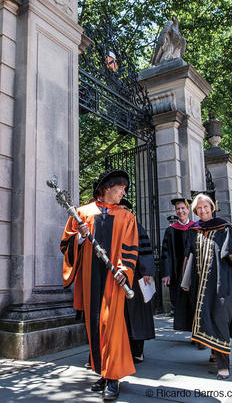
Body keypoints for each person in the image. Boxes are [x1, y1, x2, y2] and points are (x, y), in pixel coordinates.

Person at [60, 169, 138, 401]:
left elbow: (130, 247)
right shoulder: (82, 213)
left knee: (111, 325)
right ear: (107, 188)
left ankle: (113, 378)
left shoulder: (126, 217)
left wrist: (125, 270)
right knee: (95, 326)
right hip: (90, 280)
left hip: (114, 280)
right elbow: (66, 245)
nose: (124, 192)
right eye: (121, 188)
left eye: (125, 189)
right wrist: (81, 236)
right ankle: (104, 373)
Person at [181, 193, 232, 380]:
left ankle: (223, 364)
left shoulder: (224, 228)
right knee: (205, 317)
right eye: (199, 208)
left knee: (220, 318)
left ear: (212, 208)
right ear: (195, 210)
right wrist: (185, 280)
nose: (203, 211)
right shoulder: (194, 230)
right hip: (201, 284)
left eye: (206, 207)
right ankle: (214, 352)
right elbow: (188, 257)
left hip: (222, 282)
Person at [119, 199, 155, 363]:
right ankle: (125, 349)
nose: (122, 211)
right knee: (123, 317)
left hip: (136, 278)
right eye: (119, 208)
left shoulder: (136, 227)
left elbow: (146, 250)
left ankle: (138, 351)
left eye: (125, 209)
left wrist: (147, 271)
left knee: (137, 316)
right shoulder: (114, 228)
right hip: (119, 279)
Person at [161, 197, 193, 316]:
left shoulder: (195, 228)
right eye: (178, 209)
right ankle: (176, 311)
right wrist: (166, 273)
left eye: (183, 208)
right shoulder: (170, 230)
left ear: (188, 209)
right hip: (175, 268)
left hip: (191, 266)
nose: (180, 211)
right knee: (175, 290)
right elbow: (165, 253)